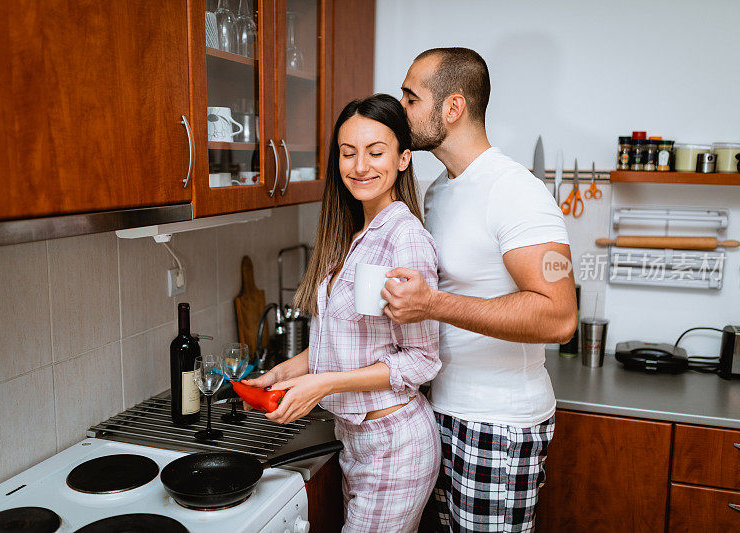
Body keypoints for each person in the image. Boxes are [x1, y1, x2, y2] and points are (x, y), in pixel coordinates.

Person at [382, 48, 578, 532]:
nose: (399, 107)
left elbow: (560, 317)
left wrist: (433, 303)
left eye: (411, 97)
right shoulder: (439, 190)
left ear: (452, 108)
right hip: (442, 412)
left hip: (499, 425)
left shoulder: (517, 191)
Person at [244, 93, 442, 532]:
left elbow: (421, 360)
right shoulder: (356, 234)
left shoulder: (404, 238)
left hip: (395, 444)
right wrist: (282, 374)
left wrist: (323, 384)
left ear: (404, 158)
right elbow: (344, 343)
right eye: (348, 153)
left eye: (376, 152)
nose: (360, 166)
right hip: (357, 441)